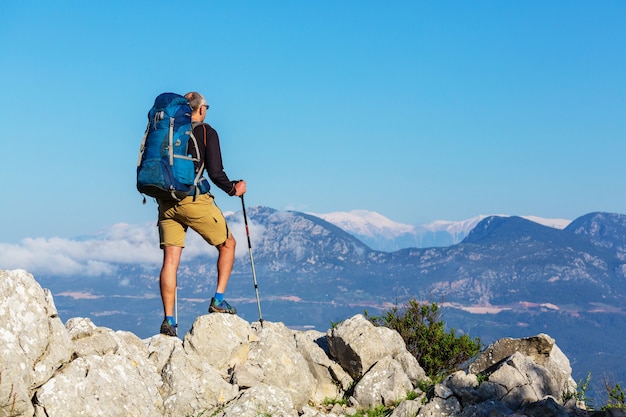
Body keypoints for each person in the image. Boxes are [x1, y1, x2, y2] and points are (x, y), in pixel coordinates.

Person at [157, 91, 246, 337]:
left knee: (170, 261)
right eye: (207, 106)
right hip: (192, 199)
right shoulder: (206, 132)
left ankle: (169, 321)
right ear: (201, 109)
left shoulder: (167, 132)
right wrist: (233, 188)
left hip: (166, 200)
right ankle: (218, 300)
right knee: (228, 244)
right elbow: (216, 173)